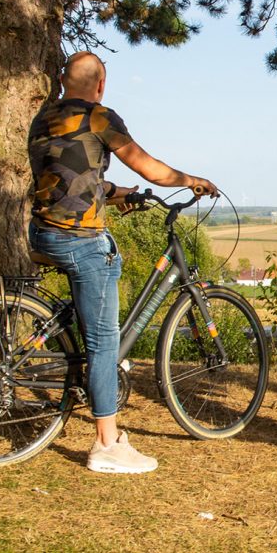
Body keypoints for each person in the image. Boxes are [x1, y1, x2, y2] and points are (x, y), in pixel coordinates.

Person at [27, 51, 220, 474]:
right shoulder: (99, 116)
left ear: (63, 80)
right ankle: (106, 444)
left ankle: (81, 379)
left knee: (94, 305)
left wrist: (117, 193)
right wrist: (193, 180)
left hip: (42, 233)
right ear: (100, 85)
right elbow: (151, 168)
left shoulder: (44, 118)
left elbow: (68, 175)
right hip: (78, 240)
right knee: (103, 341)